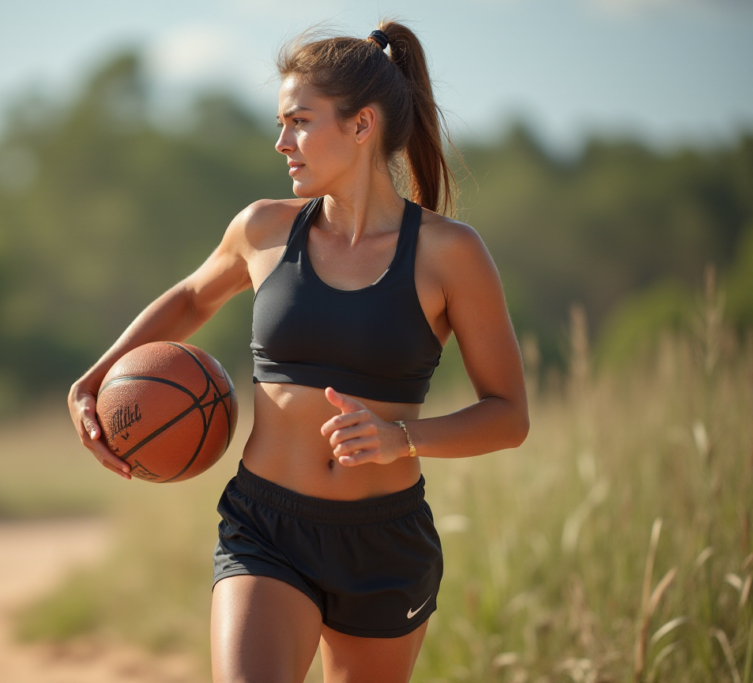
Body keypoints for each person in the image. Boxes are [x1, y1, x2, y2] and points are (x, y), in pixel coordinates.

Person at [68, 20, 529, 683]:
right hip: (267, 527)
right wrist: (97, 377)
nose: (282, 141)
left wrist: (401, 438)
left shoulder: (451, 253)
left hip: (385, 543)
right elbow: (193, 298)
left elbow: (509, 415)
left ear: (362, 125)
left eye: (299, 121)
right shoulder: (262, 228)